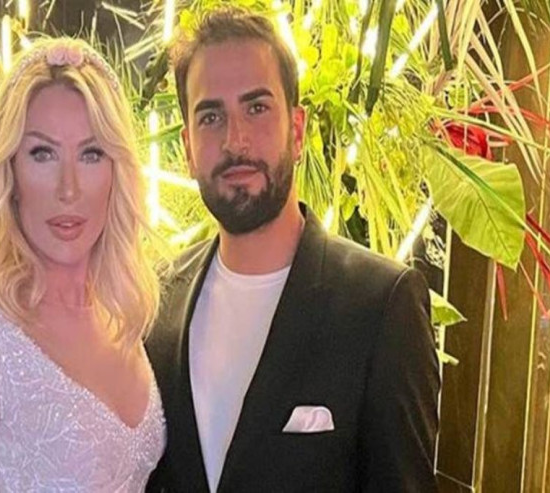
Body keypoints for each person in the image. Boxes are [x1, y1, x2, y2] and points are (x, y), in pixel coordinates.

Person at [145, 7, 440, 493]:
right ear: (188, 149)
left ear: (297, 130)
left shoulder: (381, 306)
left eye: (257, 108)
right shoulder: (156, 304)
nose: (235, 139)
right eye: (211, 116)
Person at [0, 37, 165, 492]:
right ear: (8, 171)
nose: (69, 189)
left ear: (117, 172)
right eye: (42, 154)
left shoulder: (123, 318)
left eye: (91, 154)